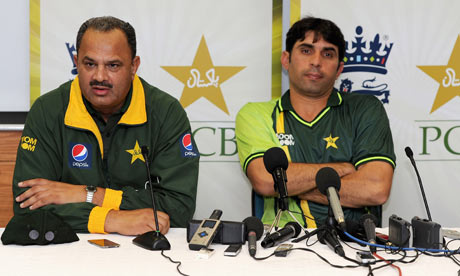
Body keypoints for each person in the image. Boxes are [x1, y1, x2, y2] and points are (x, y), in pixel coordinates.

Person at [13, 16, 199, 235]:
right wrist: (111, 220)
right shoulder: (47, 110)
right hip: (68, 253)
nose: (99, 77)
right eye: (90, 64)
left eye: (113, 65)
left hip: (146, 253)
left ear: (134, 66)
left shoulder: (166, 112)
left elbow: (179, 208)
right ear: (76, 62)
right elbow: (26, 207)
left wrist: (87, 194)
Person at [236, 17, 395, 228]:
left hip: (354, 240)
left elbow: (375, 189)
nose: (316, 62)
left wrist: (289, 186)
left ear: (339, 69)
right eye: (306, 50)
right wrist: (342, 169)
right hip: (284, 240)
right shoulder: (256, 114)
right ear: (286, 59)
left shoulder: (365, 109)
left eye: (327, 54)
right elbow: (265, 181)